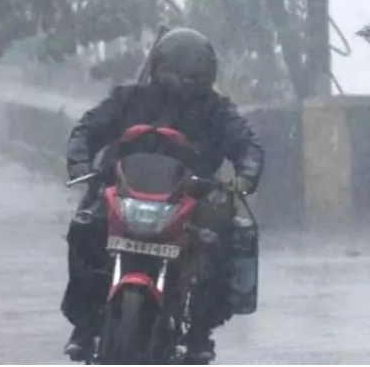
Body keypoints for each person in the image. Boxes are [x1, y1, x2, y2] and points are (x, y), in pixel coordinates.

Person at [61, 28, 265, 364]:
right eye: (176, 71)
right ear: (158, 68)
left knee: (221, 238)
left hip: (190, 199)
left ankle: (200, 331)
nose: (183, 81)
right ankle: (84, 324)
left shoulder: (217, 110)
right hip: (123, 193)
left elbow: (248, 145)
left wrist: (245, 177)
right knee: (84, 226)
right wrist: (79, 162)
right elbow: (88, 129)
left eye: (193, 74)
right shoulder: (129, 99)